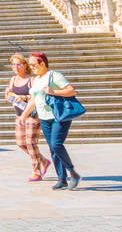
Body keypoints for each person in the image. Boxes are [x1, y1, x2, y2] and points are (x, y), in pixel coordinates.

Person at [19, 52, 82, 190]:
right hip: (44, 118)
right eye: (30, 64)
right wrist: (24, 115)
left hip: (58, 116)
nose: (31, 67)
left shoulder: (55, 75)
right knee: (52, 148)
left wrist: (54, 92)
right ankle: (62, 179)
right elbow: (34, 100)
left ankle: (72, 173)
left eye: (33, 64)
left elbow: (71, 91)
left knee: (56, 144)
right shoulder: (36, 80)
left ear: (42, 63)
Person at [4, 55, 48, 181]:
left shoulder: (32, 80)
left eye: (18, 64)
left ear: (24, 65)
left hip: (33, 115)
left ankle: (36, 171)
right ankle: (44, 161)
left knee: (30, 143)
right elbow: (9, 96)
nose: (15, 67)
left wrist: (24, 97)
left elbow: (38, 96)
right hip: (19, 115)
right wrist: (7, 94)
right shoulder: (13, 79)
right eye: (13, 64)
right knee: (20, 143)